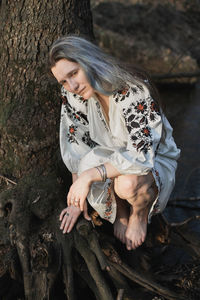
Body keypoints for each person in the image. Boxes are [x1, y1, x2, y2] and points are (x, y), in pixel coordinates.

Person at [49, 35, 180, 250]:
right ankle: (120, 212)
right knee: (91, 168)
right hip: (110, 156)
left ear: (89, 61)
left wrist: (89, 177)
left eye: (74, 73)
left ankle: (139, 213)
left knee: (127, 184)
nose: (71, 85)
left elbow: (140, 157)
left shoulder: (132, 91)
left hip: (151, 160)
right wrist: (75, 201)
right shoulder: (73, 95)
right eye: (63, 81)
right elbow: (76, 145)